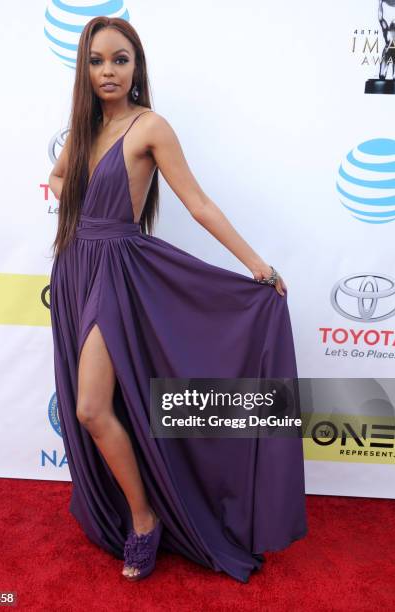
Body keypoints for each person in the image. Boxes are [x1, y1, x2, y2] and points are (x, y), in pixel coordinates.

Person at [48, 15, 307, 583]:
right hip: (75, 269)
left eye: (120, 58)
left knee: (92, 407)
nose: (108, 70)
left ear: (137, 66)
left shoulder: (151, 127)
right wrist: (79, 219)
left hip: (117, 273)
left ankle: (145, 521)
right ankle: (133, 510)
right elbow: (59, 177)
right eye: (96, 60)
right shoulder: (82, 129)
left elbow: (199, 205)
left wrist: (257, 265)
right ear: (83, 69)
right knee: (92, 408)